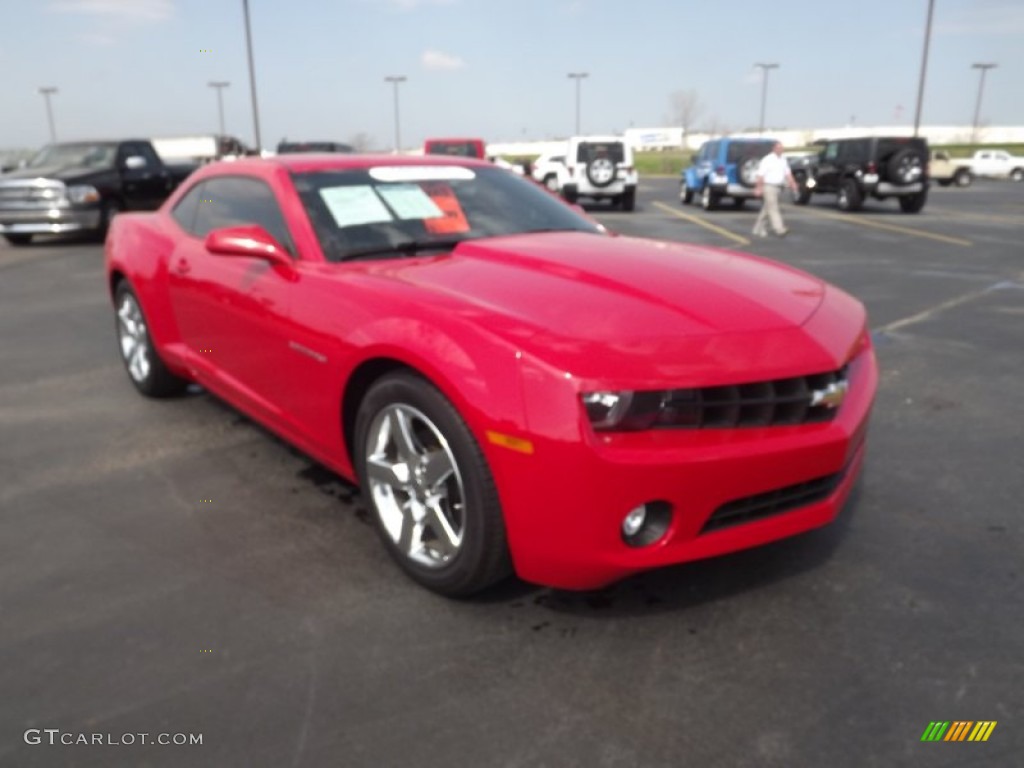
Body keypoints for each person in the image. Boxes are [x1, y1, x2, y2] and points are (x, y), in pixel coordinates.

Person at [752, 141, 799, 238]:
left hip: (779, 187)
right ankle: (779, 229)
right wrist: (758, 188)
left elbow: (788, 173)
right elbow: (760, 175)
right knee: (773, 208)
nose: (780, 150)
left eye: (781, 148)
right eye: (778, 148)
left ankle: (758, 228)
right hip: (768, 186)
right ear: (773, 149)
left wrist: (793, 183)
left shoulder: (783, 159)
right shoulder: (767, 159)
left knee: (767, 209)